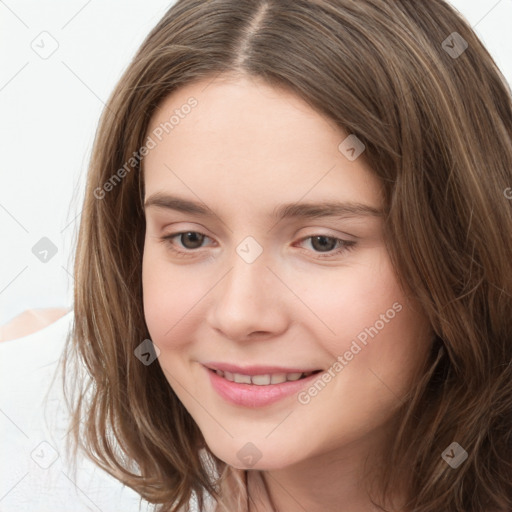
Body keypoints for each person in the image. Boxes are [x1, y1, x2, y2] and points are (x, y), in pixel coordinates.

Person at [4, 0, 512, 511]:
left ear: (461, 250)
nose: (239, 314)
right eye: (190, 238)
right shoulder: (28, 447)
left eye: (322, 242)